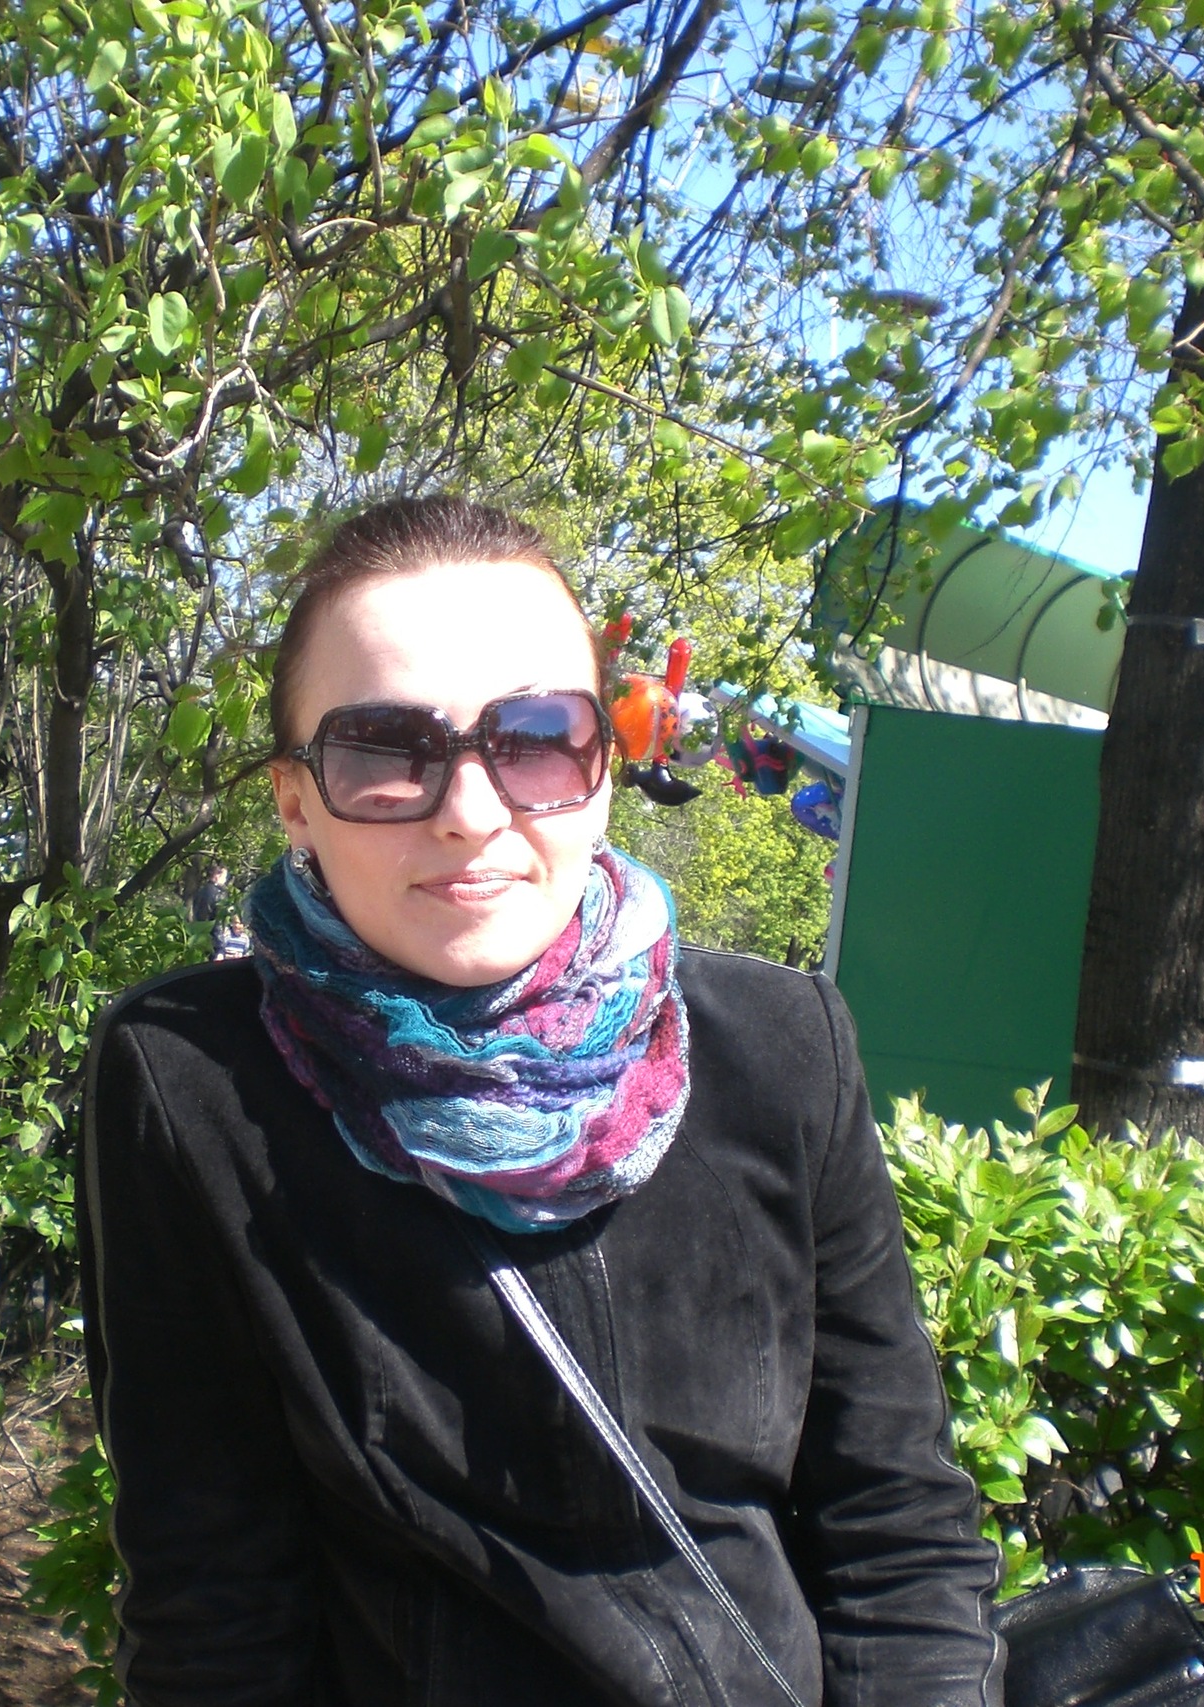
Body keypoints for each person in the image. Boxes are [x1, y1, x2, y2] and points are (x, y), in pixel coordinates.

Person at [82, 495, 1001, 1705]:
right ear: (295, 798)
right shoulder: (192, 1083)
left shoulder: (781, 1051)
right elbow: (214, 1607)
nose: (470, 812)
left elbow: (897, 1529)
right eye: (381, 751)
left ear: (602, 769)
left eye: (534, 739)